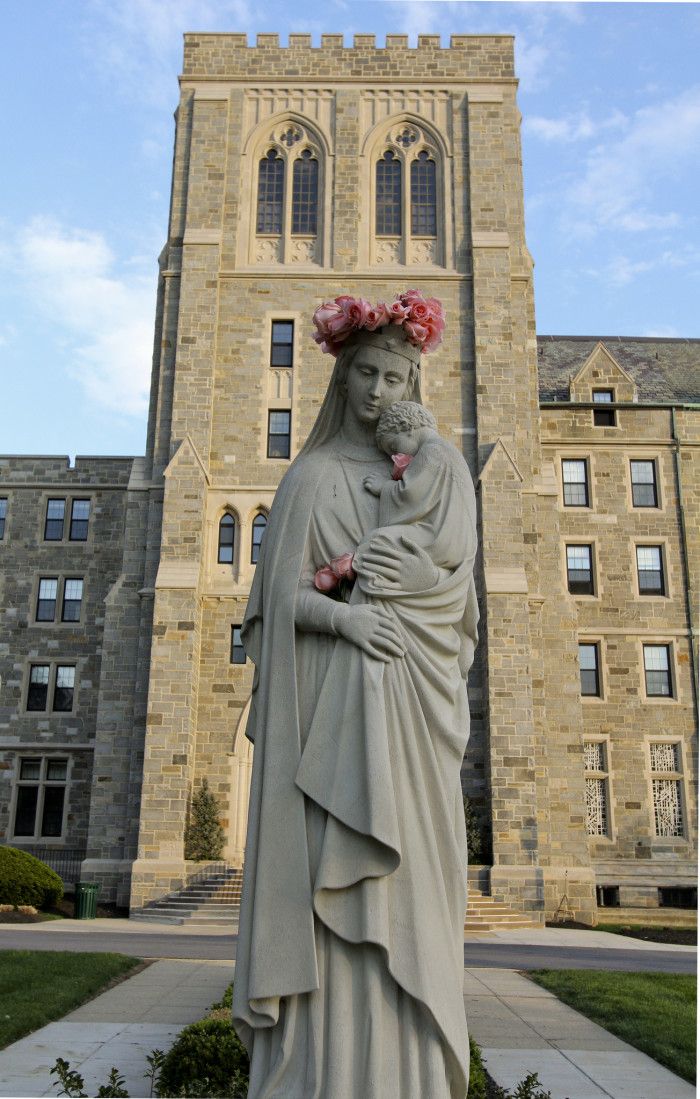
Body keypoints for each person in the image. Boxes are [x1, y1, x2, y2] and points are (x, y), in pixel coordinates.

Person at [232, 292, 479, 1099]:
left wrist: (422, 589)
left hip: (412, 723)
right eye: (365, 373)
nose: (379, 392)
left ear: (416, 387)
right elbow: (276, 607)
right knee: (331, 909)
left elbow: (460, 606)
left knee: (412, 899)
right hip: (328, 732)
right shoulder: (311, 477)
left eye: (395, 378)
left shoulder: (438, 476)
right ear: (341, 379)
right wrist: (344, 626)